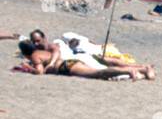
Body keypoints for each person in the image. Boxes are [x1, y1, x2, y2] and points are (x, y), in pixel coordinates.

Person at [17, 40, 154, 80]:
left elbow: (39, 71)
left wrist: (29, 68)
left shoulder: (34, 56)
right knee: (99, 71)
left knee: (99, 73)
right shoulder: (43, 52)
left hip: (67, 67)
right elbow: (56, 50)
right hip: (70, 62)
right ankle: (141, 69)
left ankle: (131, 70)